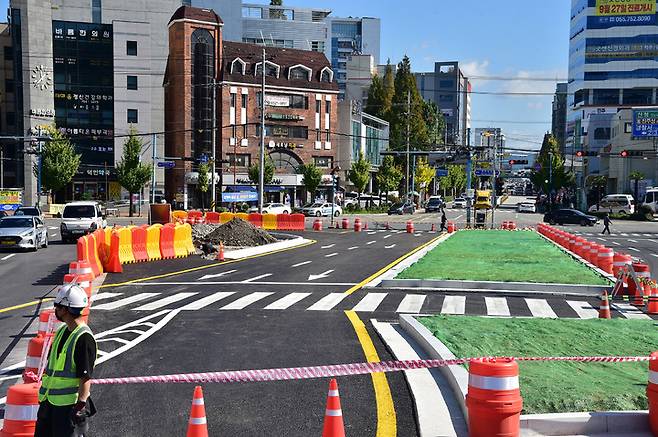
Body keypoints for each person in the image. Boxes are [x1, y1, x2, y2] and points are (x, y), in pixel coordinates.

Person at [35, 284, 97, 437]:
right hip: (49, 402)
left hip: (68, 407)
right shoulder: (62, 331)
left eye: (57, 306)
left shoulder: (84, 338)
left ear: (65, 309)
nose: (55, 310)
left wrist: (80, 405)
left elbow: (85, 375)